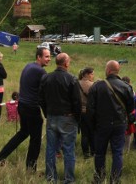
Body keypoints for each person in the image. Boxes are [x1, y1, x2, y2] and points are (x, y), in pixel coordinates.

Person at [0, 47, 51, 171]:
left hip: (22, 105)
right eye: (46, 56)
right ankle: (30, 169)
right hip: (31, 108)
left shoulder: (28, 66)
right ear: (38, 57)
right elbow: (44, 94)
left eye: (50, 56)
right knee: (35, 140)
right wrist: (47, 112)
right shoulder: (41, 72)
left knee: (23, 133)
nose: (49, 59)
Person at [87, 60, 134, 184]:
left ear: (107, 71)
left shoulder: (97, 86)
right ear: (117, 71)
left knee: (100, 153)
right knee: (117, 153)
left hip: (101, 124)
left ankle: (99, 178)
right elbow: (131, 108)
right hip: (119, 124)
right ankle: (115, 180)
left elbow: (90, 109)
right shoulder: (127, 87)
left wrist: (92, 125)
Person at [38, 52, 81, 184]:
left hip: (52, 117)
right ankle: (69, 179)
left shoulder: (46, 78)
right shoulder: (72, 79)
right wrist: (77, 119)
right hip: (67, 118)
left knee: (50, 148)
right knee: (68, 149)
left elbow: (41, 99)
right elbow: (77, 102)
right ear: (66, 63)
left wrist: (47, 113)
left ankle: (51, 178)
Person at [78, 67, 95, 158]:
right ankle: (93, 152)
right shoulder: (92, 85)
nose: (93, 76)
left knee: (84, 134)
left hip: (80, 112)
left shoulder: (77, 84)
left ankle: (86, 154)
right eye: (92, 74)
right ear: (87, 74)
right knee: (92, 133)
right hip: (89, 112)